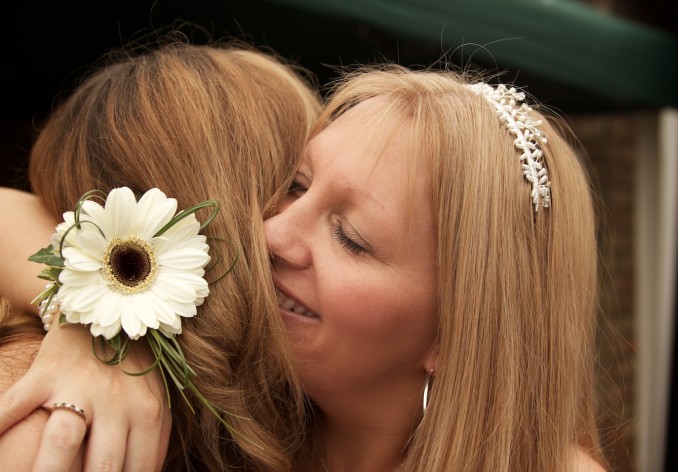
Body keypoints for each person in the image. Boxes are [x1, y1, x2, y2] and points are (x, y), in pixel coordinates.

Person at [1, 61, 608, 470]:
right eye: (296, 184)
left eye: (351, 238)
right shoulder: (232, 411)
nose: (270, 233)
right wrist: (100, 322)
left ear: (456, 335)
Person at [0, 37, 322, 471]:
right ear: (232, 206)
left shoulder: (298, 411)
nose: (298, 228)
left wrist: (95, 316)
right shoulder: (52, 428)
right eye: (297, 185)